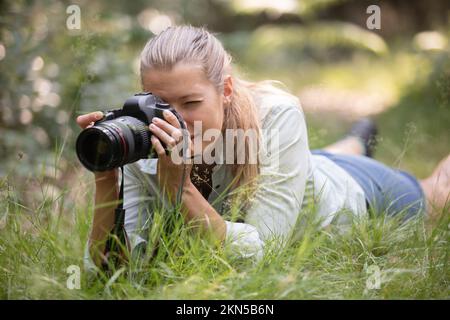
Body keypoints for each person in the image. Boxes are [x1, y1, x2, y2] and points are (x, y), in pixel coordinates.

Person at [76, 25, 450, 270]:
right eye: (161, 103)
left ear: (224, 91)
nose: (177, 121)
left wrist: (180, 187)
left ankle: (355, 149)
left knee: (436, 193)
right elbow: (112, 269)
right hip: (299, 170)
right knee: (311, 160)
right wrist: (106, 178)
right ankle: (356, 141)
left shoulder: (277, 115)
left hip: (348, 192)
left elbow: (262, 253)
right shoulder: (144, 135)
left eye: (190, 104)